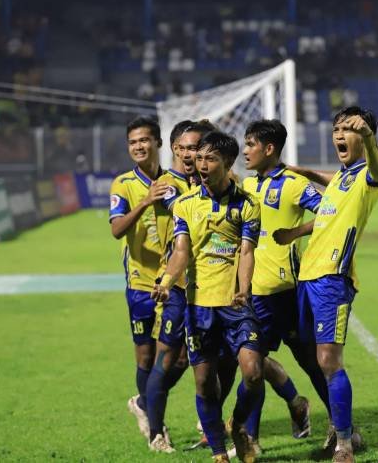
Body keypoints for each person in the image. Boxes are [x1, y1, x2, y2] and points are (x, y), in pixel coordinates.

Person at [153, 130, 264, 463]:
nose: (201, 164)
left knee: (253, 372)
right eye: (199, 158)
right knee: (203, 382)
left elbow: (247, 252)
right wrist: (167, 280)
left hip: (235, 305)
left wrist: (244, 287)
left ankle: (239, 425)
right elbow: (181, 251)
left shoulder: (248, 204)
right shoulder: (186, 205)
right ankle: (219, 454)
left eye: (210, 159)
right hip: (199, 306)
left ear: (227, 162)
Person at [295, 106, 378, 463]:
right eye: (336, 129)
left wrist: (368, 136)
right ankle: (343, 427)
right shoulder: (341, 178)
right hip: (307, 276)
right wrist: (302, 172)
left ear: (363, 136)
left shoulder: (369, 174)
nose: (339, 135)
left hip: (333, 278)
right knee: (313, 358)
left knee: (329, 360)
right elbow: (330, 182)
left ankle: (345, 445)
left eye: (347, 129)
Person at [236, 119, 329, 454]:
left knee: (311, 362)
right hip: (252, 292)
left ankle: (342, 427)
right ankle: (251, 439)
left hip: (287, 293)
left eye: (250, 144)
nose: (245, 151)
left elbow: (330, 212)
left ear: (269, 148)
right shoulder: (247, 185)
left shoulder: (293, 184)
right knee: (252, 367)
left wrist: (295, 233)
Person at [141, 119, 210, 452]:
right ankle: (156, 432)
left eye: (194, 148)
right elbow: (186, 210)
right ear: (173, 150)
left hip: (211, 285)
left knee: (201, 359)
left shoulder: (210, 181)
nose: (187, 154)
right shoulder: (166, 185)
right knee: (167, 358)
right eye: (181, 148)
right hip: (178, 285)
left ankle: (210, 425)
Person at [108, 117, 171, 443]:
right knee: (145, 357)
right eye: (133, 142)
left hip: (172, 284)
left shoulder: (174, 181)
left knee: (172, 358)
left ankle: (153, 416)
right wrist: (145, 201)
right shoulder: (123, 184)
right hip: (140, 285)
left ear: (157, 142)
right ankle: (149, 413)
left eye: (144, 140)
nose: (138, 146)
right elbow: (116, 229)